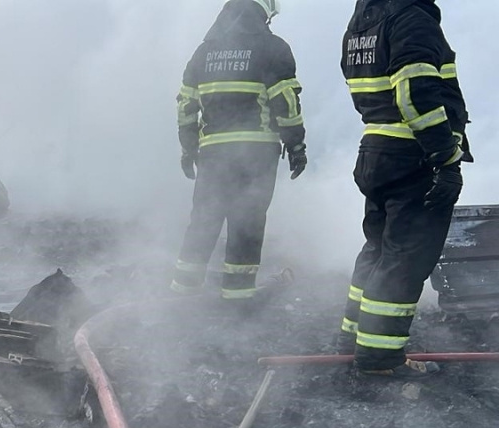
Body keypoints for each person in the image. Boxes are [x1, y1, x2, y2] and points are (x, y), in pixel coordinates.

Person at [338, 0, 471, 377]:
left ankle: (352, 340)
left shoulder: (363, 23)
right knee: (404, 260)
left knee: (379, 249)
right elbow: (414, 94)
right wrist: (445, 158)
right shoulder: (411, 18)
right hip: (415, 156)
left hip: (377, 151)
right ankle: (380, 362)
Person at [171, 0, 307, 303]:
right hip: (255, 154)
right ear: (264, 11)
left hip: (212, 153)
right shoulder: (273, 48)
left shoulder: (203, 52)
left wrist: (187, 148)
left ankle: (182, 296)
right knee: (247, 221)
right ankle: (237, 298)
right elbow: (286, 103)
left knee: (204, 220)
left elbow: (185, 106)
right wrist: (297, 145)